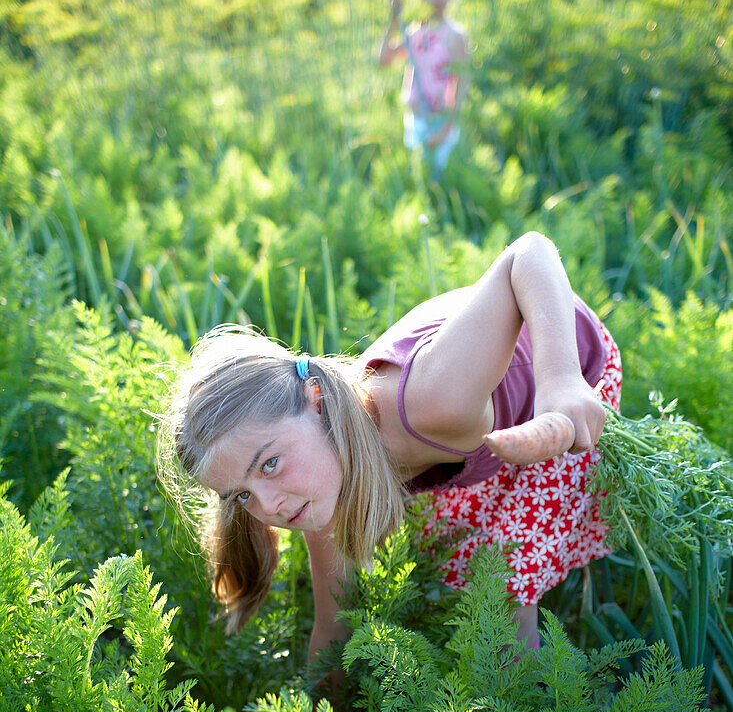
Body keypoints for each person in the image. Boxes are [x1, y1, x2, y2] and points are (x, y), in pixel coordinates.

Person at [158, 231, 622, 665]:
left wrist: (561, 377)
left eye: (270, 464)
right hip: (476, 424)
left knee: (501, 593)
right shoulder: (317, 485)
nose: (268, 506)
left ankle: (526, 703)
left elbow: (530, 252)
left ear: (316, 401)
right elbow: (334, 626)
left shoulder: (435, 401)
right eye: (241, 495)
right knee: (448, 557)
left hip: (565, 357)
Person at [379, 0, 469, 180]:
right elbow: (384, 60)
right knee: (419, 179)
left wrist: (446, 129)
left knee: (441, 179)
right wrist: (393, 20)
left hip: (441, 121)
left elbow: (462, 83)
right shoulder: (414, 32)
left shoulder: (455, 36)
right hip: (417, 118)